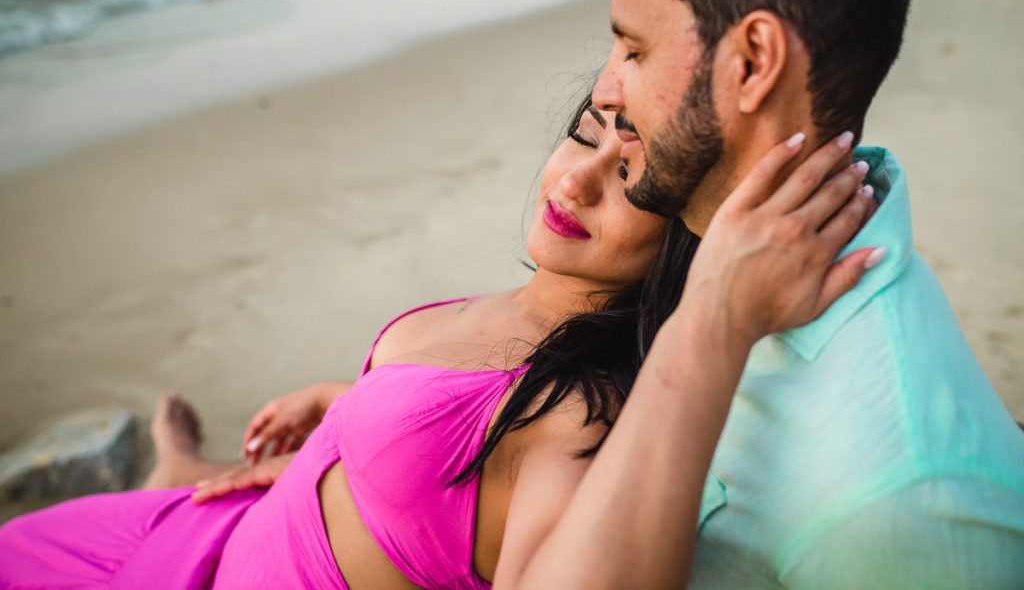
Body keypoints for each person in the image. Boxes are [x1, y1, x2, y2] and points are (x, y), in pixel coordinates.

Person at [0, 92, 877, 588]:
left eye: (628, 180)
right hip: (203, 539)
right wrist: (347, 409)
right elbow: (455, 442)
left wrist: (716, 316)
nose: (574, 178)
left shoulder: (581, 416)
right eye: (584, 133)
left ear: (681, 242)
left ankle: (174, 463)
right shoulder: (533, 311)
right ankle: (175, 465)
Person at [540, 0, 1024, 588]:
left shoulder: (900, 501)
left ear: (753, 62)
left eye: (633, 49)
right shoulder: (703, 248)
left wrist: (713, 322)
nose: (604, 90)